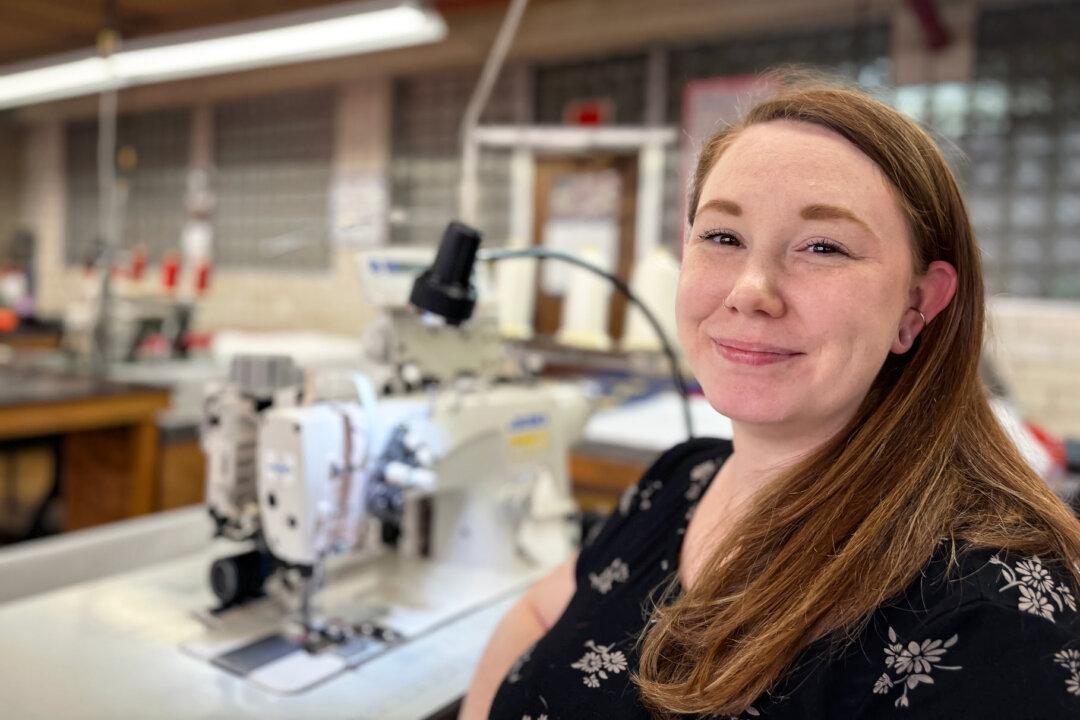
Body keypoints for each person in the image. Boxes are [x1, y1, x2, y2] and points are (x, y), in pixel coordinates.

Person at [459, 72, 1080, 719]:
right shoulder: (680, 483)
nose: (751, 290)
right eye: (723, 237)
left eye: (823, 246)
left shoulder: (991, 617)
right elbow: (537, 613)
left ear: (917, 304)